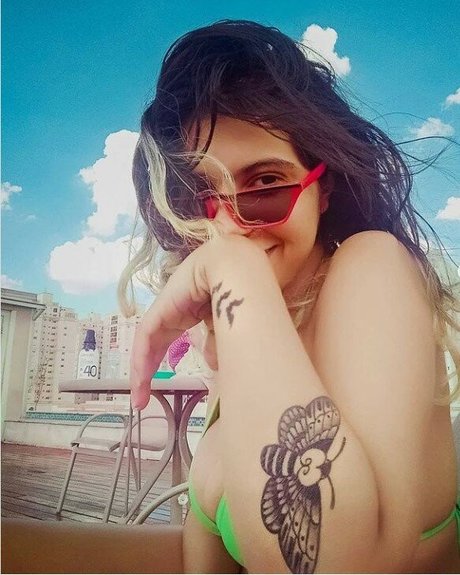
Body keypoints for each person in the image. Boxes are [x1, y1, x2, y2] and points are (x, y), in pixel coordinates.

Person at [119, 20, 460, 573]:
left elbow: (348, 565)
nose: (228, 225)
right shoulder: (242, 341)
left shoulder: (373, 266)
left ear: (323, 188)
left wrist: (232, 267)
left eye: (265, 184)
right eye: (198, 194)